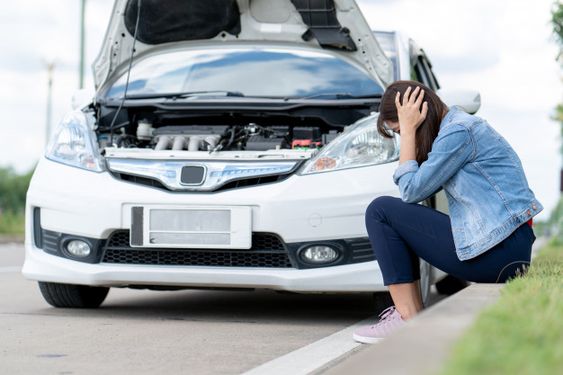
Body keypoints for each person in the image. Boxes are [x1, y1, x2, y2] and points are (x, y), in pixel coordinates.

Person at [353, 80, 542, 344]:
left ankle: (406, 318)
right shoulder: (460, 128)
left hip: (499, 254)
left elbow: (410, 190)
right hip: (506, 249)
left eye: (399, 130)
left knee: (380, 211)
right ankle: (409, 316)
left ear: (419, 116)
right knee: (395, 215)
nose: (402, 137)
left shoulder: (458, 132)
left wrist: (408, 133)